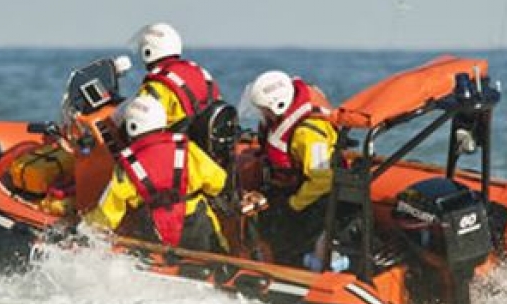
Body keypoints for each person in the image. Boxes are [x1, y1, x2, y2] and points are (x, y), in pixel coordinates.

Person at [85, 95, 228, 253]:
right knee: (219, 250)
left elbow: (107, 215)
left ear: (131, 127)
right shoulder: (187, 148)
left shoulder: (127, 167)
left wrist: (83, 230)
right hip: (199, 228)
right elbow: (218, 182)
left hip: (154, 235)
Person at [246, 70, 339, 265]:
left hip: (315, 198)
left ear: (278, 105)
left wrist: (292, 205)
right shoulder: (284, 122)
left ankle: (290, 264)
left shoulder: (308, 134)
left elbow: (322, 180)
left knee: (281, 229)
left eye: (264, 109)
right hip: (293, 187)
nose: (263, 114)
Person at [131, 22, 223, 134]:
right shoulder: (202, 73)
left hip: (178, 144)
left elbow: (140, 120)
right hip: (209, 142)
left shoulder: (156, 85)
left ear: (148, 51)